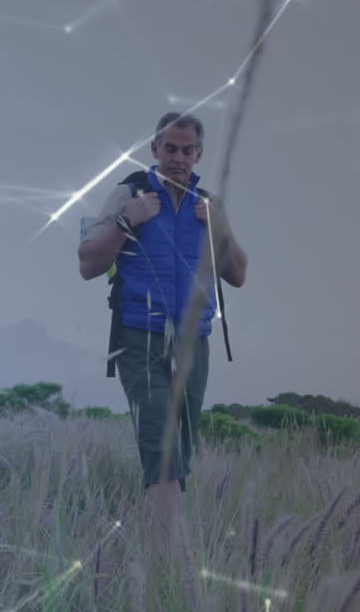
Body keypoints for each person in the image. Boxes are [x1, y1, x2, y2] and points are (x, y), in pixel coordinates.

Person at [77, 111, 248, 562]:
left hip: (195, 342)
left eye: (186, 150)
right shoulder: (129, 192)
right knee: (162, 446)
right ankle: (164, 565)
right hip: (141, 337)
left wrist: (219, 227)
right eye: (169, 148)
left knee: (178, 457)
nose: (177, 158)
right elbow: (88, 263)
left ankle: (163, 556)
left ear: (199, 154)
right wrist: (127, 221)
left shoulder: (208, 204)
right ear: (155, 149)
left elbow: (239, 275)